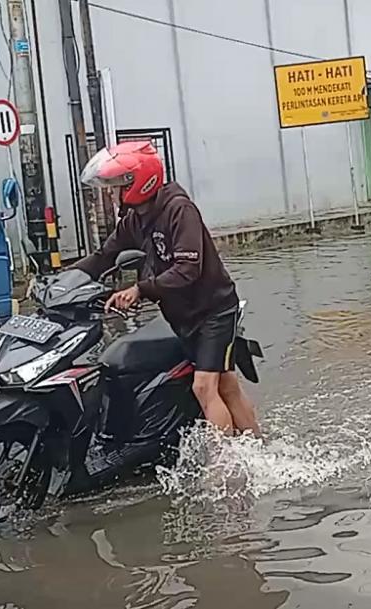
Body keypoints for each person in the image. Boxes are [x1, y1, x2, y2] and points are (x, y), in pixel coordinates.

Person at [74, 141, 261, 437]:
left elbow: (188, 270)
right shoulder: (136, 219)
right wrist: (63, 281)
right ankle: (258, 446)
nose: (111, 194)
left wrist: (140, 289)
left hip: (214, 310)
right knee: (226, 384)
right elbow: (104, 257)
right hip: (183, 315)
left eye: (117, 186)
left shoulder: (179, 210)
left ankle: (227, 465)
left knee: (204, 387)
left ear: (138, 182)